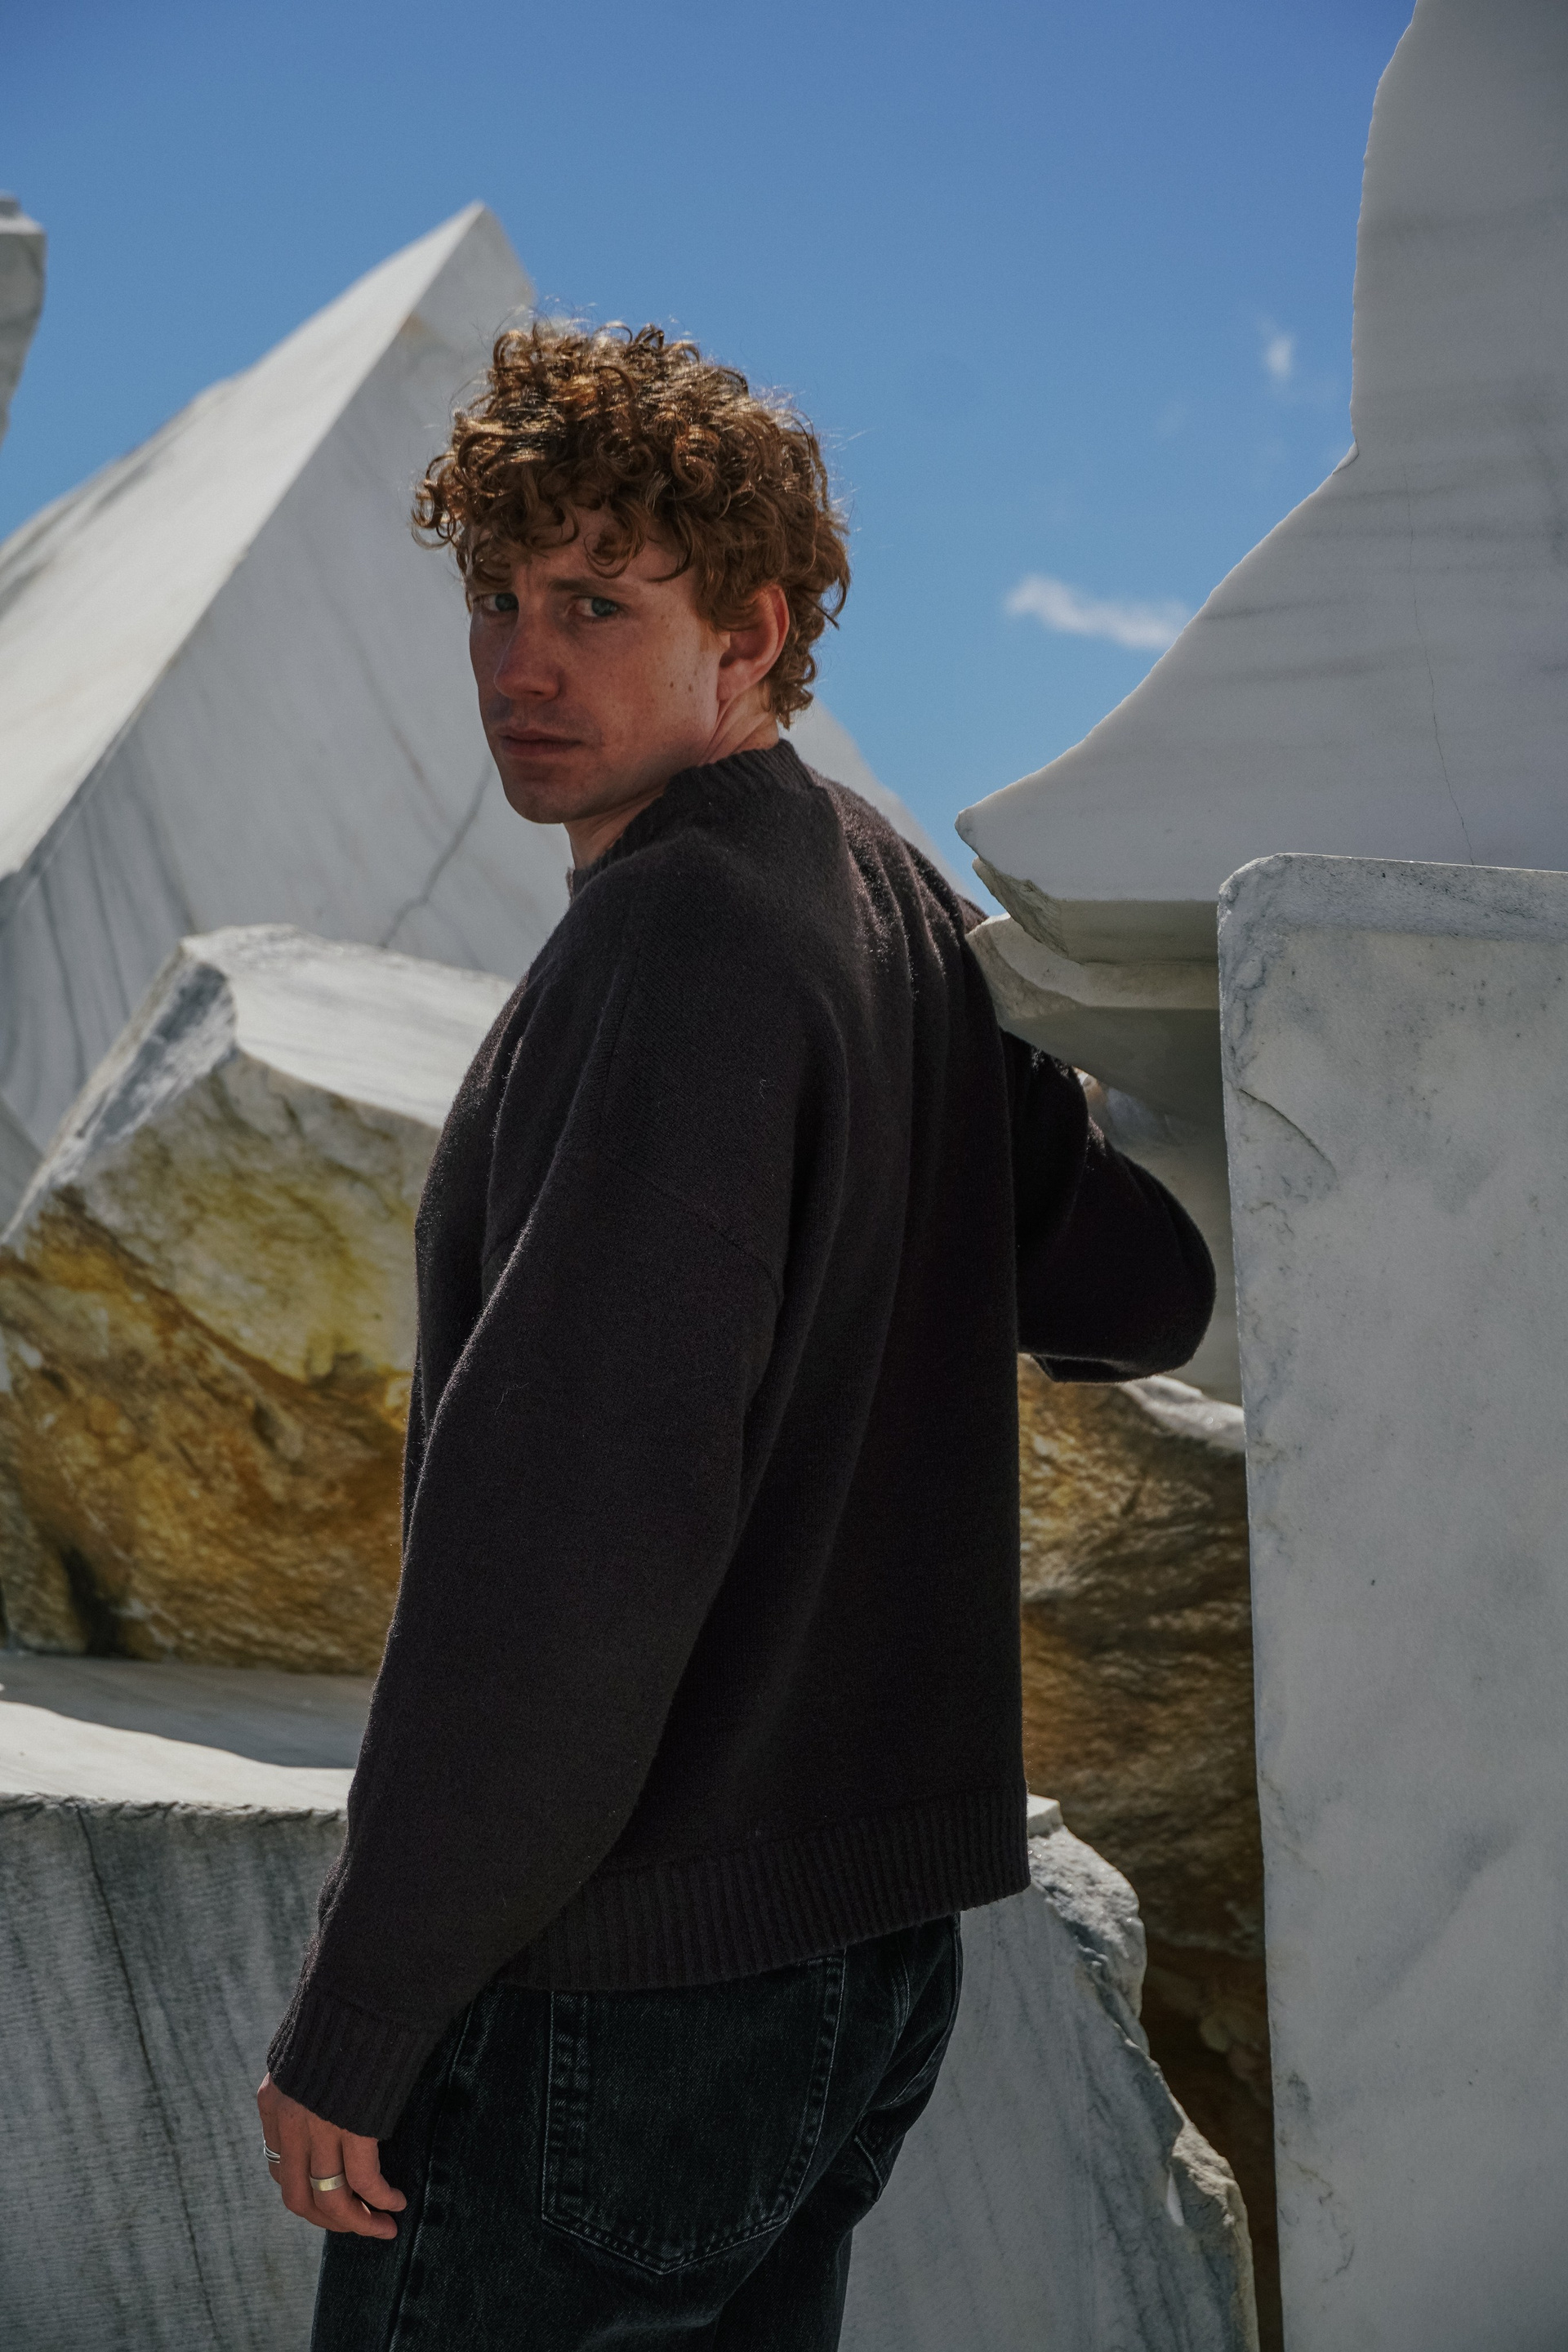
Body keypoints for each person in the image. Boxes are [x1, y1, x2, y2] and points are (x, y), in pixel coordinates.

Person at [258, 323, 1214, 2349]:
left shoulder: (676, 931)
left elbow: (572, 1535)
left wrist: (368, 2000)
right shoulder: (876, 893)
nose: (523, 666)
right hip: (858, 1962)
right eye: (498, 602)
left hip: (623, 1988)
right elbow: (1136, 1284)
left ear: (755, 630)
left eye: (598, 606)